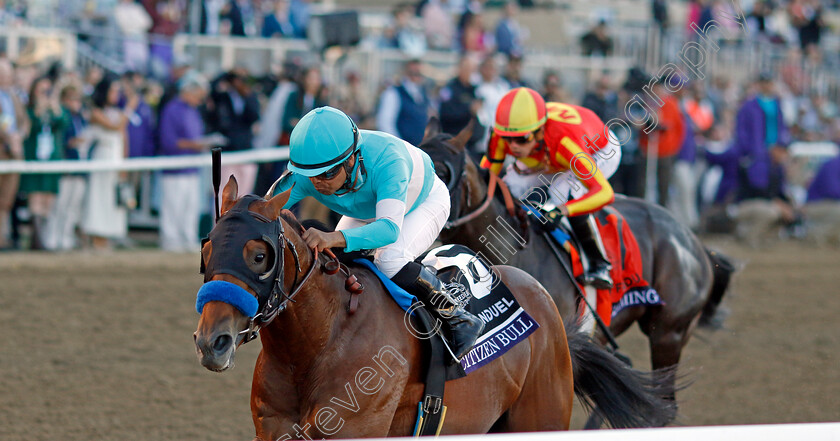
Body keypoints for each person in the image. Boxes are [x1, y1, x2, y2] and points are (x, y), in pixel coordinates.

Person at [272, 106, 484, 360]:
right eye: (311, 175)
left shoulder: (388, 159)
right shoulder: (308, 174)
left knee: (389, 258)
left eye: (328, 173)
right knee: (335, 262)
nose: (318, 183)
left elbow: (388, 229)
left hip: (424, 201)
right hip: (369, 208)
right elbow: (263, 210)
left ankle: (458, 317)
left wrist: (332, 236)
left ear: (351, 158)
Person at [482, 87, 621, 289]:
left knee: (562, 190)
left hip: (599, 149)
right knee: (511, 185)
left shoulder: (564, 142)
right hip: (548, 154)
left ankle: (600, 263)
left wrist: (561, 211)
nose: (513, 146)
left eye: (522, 139)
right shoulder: (502, 134)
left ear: (539, 132)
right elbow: (487, 177)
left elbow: (604, 192)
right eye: (507, 138)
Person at [158, 71, 213, 252]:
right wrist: (196, 145)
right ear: (189, 90)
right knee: (174, 207)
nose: (201, 99)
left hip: (192, 169)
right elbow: (168, 141)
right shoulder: (171, 109)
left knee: (191, 208)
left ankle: (187, 238)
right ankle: (171, 241)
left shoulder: (193, 111)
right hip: (174, 169)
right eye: (199, 94)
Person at [83, 76, 136, 251]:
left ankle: (107, 236)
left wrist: (124, 164)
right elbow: (114, 126)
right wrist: (129, 108)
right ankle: (96, 236)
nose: (116, 94)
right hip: (103, 158)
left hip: (116, 159)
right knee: (100, 198)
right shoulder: (95, 112)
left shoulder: (117, 112)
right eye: (113, 90)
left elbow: (123, 136)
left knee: (113, 200)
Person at [19, 76, 69, 250]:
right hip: (35, 160)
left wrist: (54, 105)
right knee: (35, 199)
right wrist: (39, 108)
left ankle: (45, 238)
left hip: (51, 160)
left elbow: (63, 123)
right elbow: (28, 128)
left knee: (49, 200)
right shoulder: (29, 109)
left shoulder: (54, 109)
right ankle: (36, 240)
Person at [376, 59, 431, 147]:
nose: (417, 76)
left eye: (419, 73)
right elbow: (385, 123)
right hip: (402, 148)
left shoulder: (423, 93)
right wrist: (398, 145)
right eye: (413, 72)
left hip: (419, 148)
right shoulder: (393, 92)